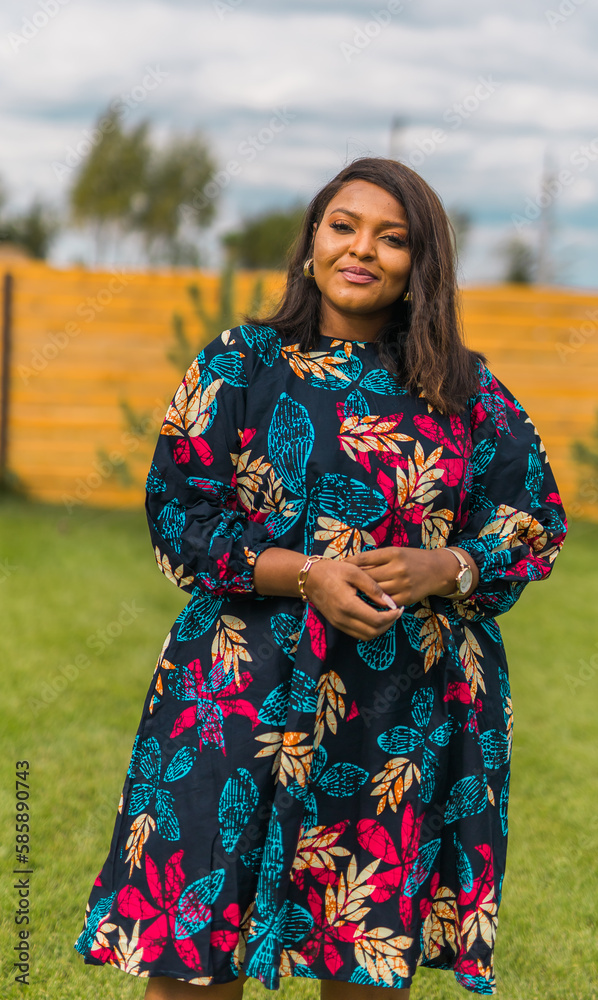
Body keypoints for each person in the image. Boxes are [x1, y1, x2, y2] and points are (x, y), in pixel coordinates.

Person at [74, 157, 567, 998]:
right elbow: (179, 517)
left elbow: (532, 520)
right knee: (193, 952)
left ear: (423, 264)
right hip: (234, 690)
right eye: (343, 226)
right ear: (310, 242)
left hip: (400, 711)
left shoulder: (463, 388)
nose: (361, 250)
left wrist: (442, 566)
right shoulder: (239, 366)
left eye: (393, 237)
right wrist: (306, 574)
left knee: (364, 952)